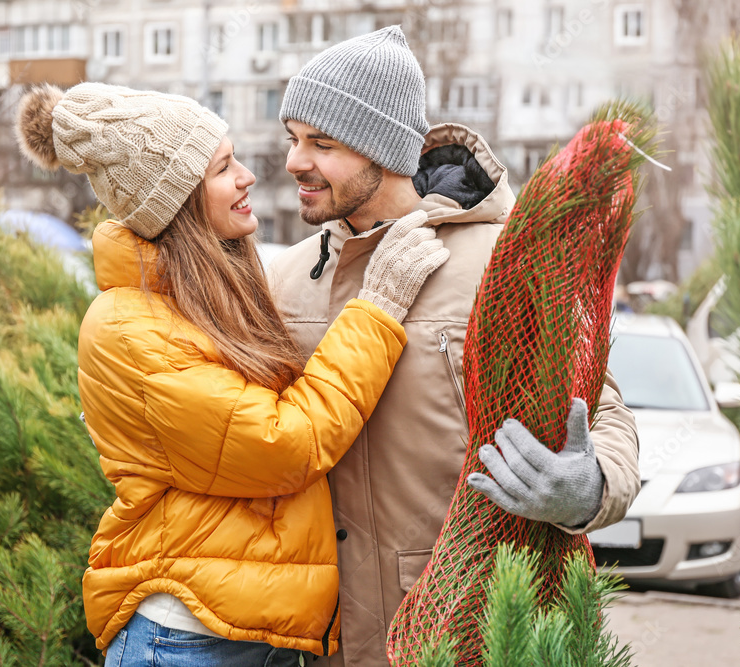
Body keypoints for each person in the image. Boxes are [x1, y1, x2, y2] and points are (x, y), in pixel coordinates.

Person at [14, 82, 449, 666]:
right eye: (223, 168)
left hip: (249, 625)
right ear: (177, 201)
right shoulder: (128, 328)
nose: (248, 176)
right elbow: (284, 444)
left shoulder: (209, 297)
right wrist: (377, 307)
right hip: (185, 637)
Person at [268, 26, 641, 666]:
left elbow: (601, 408)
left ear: (383, 149)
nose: (295, 162)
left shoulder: (506, 264)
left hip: (457, 628)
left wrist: (589, 484)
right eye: (292, 140)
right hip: (315, 640)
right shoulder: (286, 277)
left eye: (321, 143)